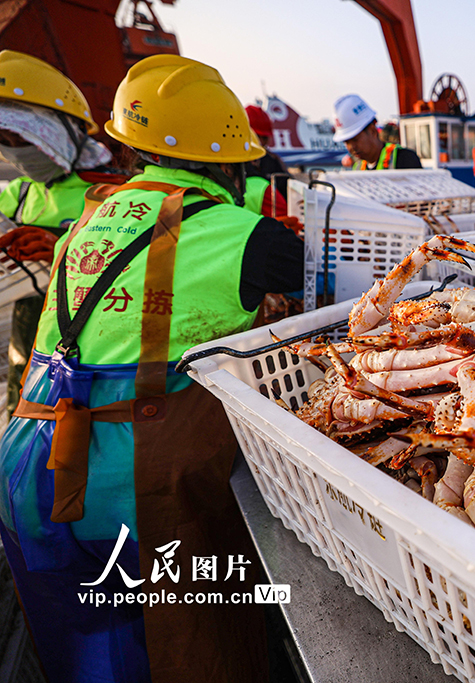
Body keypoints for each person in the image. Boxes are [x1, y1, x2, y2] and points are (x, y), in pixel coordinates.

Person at [0, 54, 305, 683]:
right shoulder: (247, 233)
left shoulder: (85, 217)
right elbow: (337, 295)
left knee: (87, 654)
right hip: (136, 481)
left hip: (33, 461)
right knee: (193, 644)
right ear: (228, 160)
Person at [0, 51, 127, 418]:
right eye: (4, 138)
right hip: (28, 346)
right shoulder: (19, 193)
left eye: (22, 136)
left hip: (96, 347)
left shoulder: (117, 194)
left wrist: (60, 249)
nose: (14, 148)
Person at [333, 94, 421, 170]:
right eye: (346, 142)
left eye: (355, 140)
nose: (351, 147)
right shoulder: (358, 168)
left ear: (372, 130)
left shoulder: (404, 159)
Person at [244, 104, 291, 203]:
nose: (260, 142)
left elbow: (289, 192)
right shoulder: (232, 162)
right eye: (256, 136)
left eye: (264, 138)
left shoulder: (273, 161)